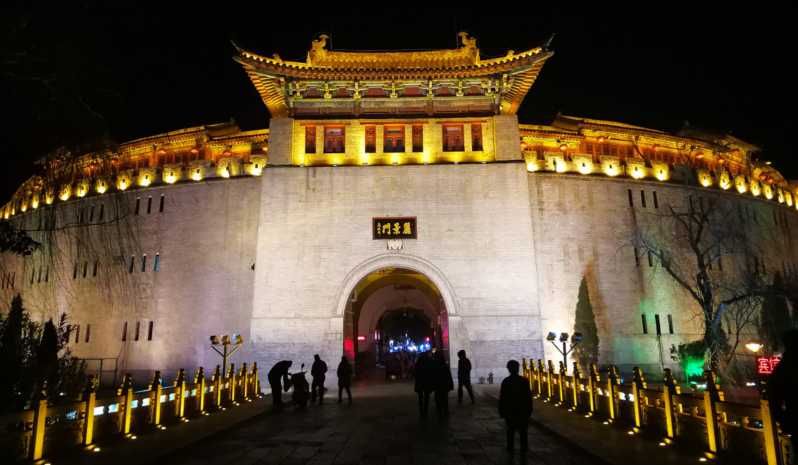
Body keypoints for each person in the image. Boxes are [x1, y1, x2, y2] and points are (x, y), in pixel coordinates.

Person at [768, 328, 798, 463]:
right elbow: (774, 399)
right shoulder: (784, 368)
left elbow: (773, 399)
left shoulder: (781, 368)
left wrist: (783, 420)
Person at [499, 360, 533, 454]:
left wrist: (502, 411)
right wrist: (529, 410)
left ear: (508, 369)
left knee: (510, 431)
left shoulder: (506, 381)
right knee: (523, 432)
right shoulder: (524, 381)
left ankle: (510, 450)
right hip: (522, 411)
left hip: (510, 411)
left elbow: (502, 398)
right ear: (518, 368)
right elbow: (528, 397)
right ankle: (524, 450)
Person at [432, 350, 454, 418]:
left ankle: (441, 413)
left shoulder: (435, 366)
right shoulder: (444, 366)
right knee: (444, 399)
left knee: (439, 399)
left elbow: (433, 377)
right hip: (443, 385)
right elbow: (449, 376)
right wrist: (450, 385)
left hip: (439, 385)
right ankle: (445, 412)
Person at [414, 351, 433, 418]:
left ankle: (422, 410)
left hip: (420, 383)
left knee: (420, 398)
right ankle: (425, 410)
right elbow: (431, 373)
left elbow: (415, 373)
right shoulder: (428, 363)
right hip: (426, 382)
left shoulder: (418, 364)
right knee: (426, 397)